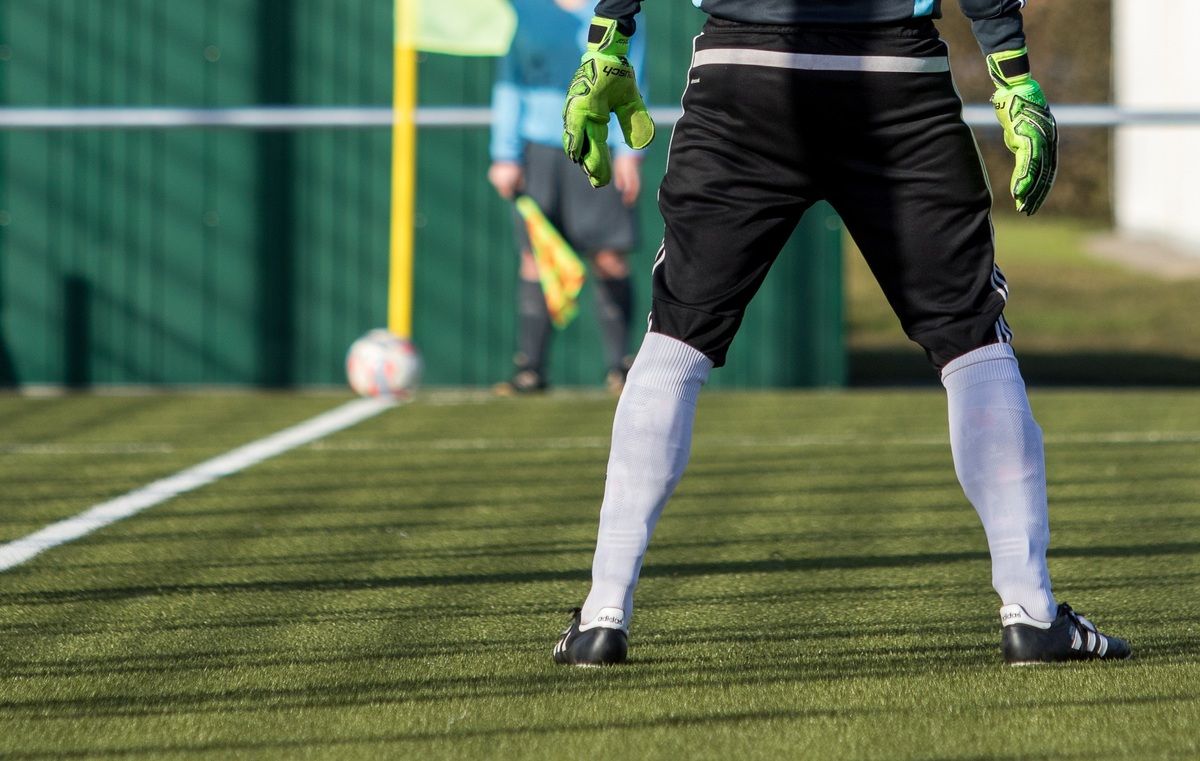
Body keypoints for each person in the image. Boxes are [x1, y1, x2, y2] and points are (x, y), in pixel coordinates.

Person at [551, 1, 1132, 666]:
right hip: (891, 77)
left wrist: (607, 37)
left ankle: (602, 615)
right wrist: (1012, 72)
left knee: (676, 338)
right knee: (971, 341)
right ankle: (1031, 613)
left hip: (743, 72)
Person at [488, 0, 647, 396]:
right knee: (536, 258)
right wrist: (505, 153)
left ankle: (621, 367)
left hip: (598, 144)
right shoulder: (525, 9)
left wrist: (629, 152)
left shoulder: (615, 8)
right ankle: (531, 370)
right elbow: (510, 80)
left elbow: (631, 73)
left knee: (608, 255)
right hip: (538, 150)